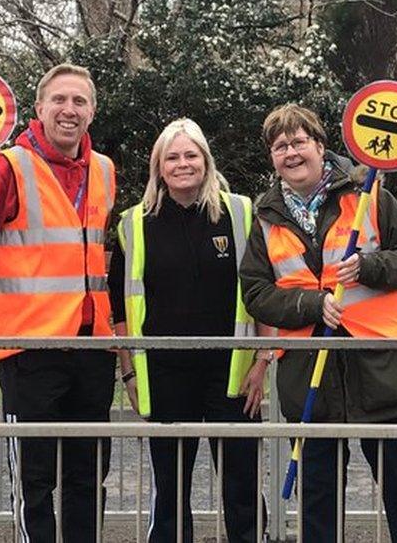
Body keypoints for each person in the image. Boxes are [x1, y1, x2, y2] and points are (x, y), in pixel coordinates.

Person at [239, 103, 397, 543]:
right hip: (310, 379)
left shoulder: (368, 197)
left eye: (298, 142)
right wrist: (312, 305)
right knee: (318, 502)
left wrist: (369, 267)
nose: (290, 153)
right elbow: (256, 292)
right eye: (279, 146)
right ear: (272, 158)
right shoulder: (266, 219)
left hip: (382, 373)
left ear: (320, 146)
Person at [0, 63, 116, 543]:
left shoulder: (104, 170)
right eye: (59, 99)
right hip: (29, 351)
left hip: (91, 349)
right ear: (39, 108)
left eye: (79, 101)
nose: (69, 110)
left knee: (88, 474)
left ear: (92, 112)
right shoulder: (8, 166)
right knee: (34, 480)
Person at [108, 118, 269, 543]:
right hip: (164, 373)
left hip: (232, 375)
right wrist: (128, 374)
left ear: (206, 160)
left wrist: (265, 358)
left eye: (191, 155)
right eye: (172, 157)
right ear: (159, 167)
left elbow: (261, 289)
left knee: (243, 485)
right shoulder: (133, 225)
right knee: (170, 489)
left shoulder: (240, 212)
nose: (183, 164)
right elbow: (118, 309)